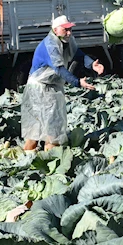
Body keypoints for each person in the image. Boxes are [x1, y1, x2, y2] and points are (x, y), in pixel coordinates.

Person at [22, 15, 105, 151]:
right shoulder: (51, 45)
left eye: (70, 29)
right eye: (65, 30)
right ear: (55, 30)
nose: (69, 33)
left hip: (53, 87)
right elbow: (59, 69)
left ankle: (49, 154)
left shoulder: (67, 40)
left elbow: (78, 54)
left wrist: (91, 64)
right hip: (39, 89)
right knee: (35, 128)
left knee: (54, 124)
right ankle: (30, 156)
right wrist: (78, 82)